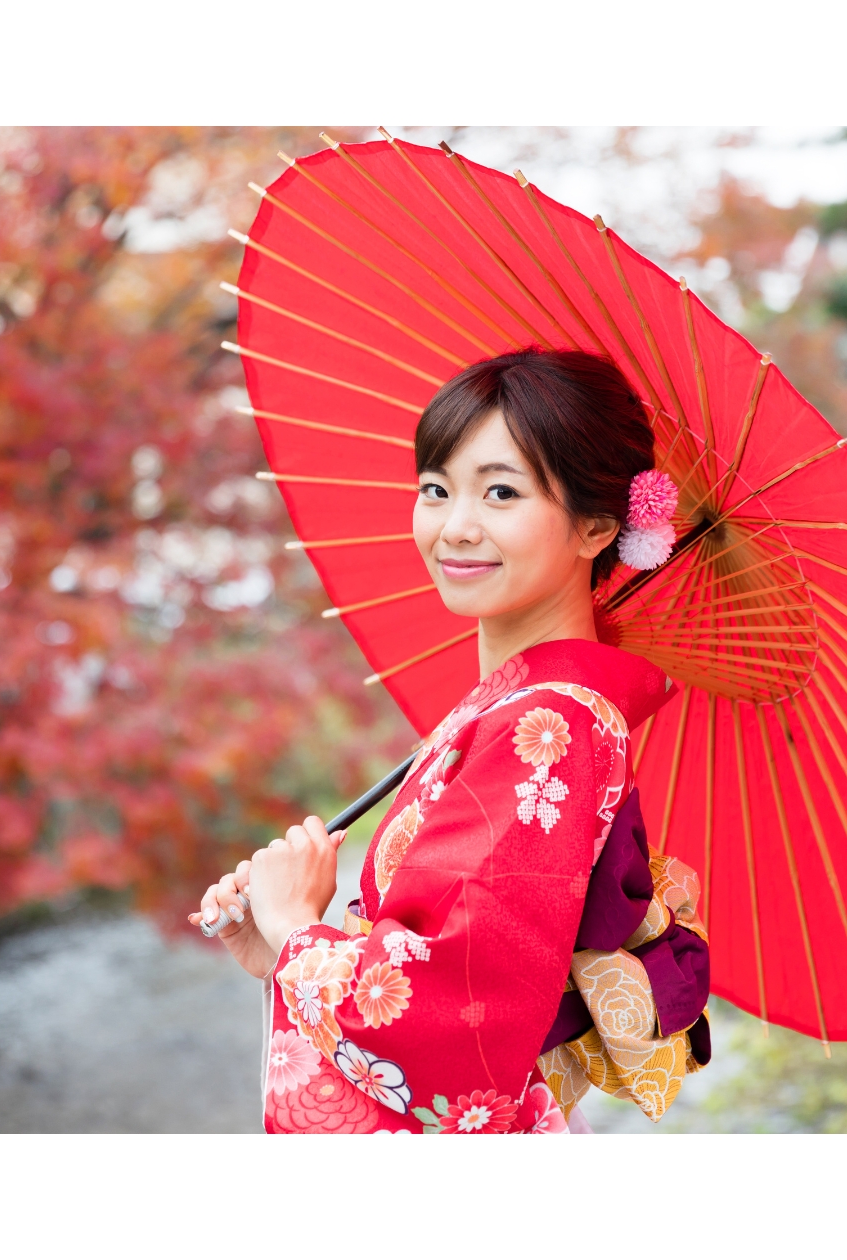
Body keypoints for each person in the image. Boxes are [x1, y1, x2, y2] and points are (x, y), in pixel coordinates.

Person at [191, 347, 714, 1134]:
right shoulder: (514, 711)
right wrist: (283, 952)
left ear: (597, 526)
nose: (454, 527)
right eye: (435, 490)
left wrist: (301, 930)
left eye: (500, 493)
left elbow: (448, 1018)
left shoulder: (552, 729)